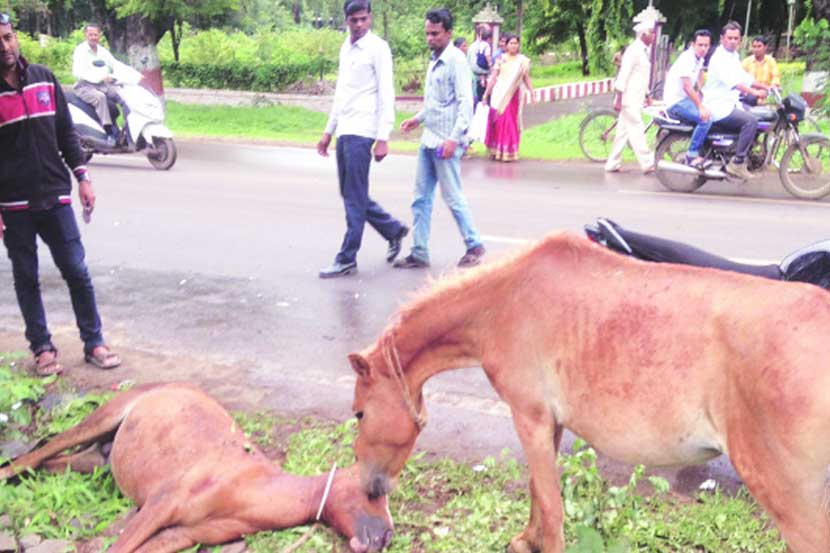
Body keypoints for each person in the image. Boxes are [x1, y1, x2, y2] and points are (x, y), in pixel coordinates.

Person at [0, 13, 121, 375]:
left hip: (56, 195)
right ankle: (42, 348)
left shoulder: (43, 79)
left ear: (15, 38)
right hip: (14, 204)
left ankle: (94, 342)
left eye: (7, 37)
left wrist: (82, 177)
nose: (4, 46)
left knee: (76, 270)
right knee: (26, 277)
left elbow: (67, 133)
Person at [317, 0, 408, 279]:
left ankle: (347, 258)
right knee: (350, 194)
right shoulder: (346, 48)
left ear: (370, 18)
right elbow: (342, 94)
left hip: (363, 132)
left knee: (354, 199)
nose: (359, 25)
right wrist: (328, 131)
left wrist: (383, 136)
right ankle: (392, 229)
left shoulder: (378, 48)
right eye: (354, 20)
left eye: (363, 19)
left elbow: (386, 93)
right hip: (345, 129)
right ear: (346, 20)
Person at [394, 8, 485, 269]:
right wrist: (417, 119)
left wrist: (454, 139)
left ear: (448, 32)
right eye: (427, 34)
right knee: (420, 198)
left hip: (446, 141)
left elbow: (466, 104)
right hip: (429, 139)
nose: (430, 38)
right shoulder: (435, 60)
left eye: (435, 34)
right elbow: (436, 103)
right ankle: (419, 251)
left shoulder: (456, 61)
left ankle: (474, 245)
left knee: (453, 196)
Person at [702, 21, 771, 180]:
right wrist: (755, 92)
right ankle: (737, 163)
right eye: (730, 38)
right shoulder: (720, 58)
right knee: (751, 122)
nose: (733, 41)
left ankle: (744, 153)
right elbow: (734, 82)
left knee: (757, 115)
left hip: (730, 103)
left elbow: (743, 77)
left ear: (740, 40)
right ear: (722, 39)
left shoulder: (733, 56)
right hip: (718, 106)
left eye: (736, 38)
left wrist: (765, 86)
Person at [604, 20, 656, 174]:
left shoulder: (643, 51)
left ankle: (612, 163)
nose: (654, 36)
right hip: (628, 99)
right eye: (651, 33)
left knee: (623, 132)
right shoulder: (633, 51)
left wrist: (647, 95)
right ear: (643, 35)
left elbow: (640, 76)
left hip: (636, 97)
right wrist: (619, 98)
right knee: (637, 129)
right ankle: (647, 163)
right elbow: (624, 75)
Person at [481, 33, 534, 162]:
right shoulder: (500, 58)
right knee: (498, 122)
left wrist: (532, 92)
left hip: (513, 95)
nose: (513, 46)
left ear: (519, 45)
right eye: (511, 43)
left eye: (516, 43)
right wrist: (486, 94)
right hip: (499, 94)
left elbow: (526, 78)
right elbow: (493, 77)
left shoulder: (523, 61)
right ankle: (497, 151)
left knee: (509, 122)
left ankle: (508, 152)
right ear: (506, 45)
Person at [664, 29, 713, 167]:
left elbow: (701, 74)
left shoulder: (699, 58)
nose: (703, 48)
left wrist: (700, 90)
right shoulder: (687, 59)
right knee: (706, 119)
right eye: (700, 45)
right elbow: (686, 86)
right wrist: (700, 106)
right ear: (693, 44)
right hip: (676, 101)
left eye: (706, 45)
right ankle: (691, 155)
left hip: (686, 99)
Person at [72, 23, 124, 145]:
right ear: (86, 35)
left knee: (122, 94)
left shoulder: (102, 51)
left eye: (96, 34)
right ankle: (109, 132)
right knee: (101, 98)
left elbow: (115, 64)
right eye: (91, 34)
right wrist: (101, 77)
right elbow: (78, 72)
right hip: (84, 86)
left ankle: (128, 128)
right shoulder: (81, 51)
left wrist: (133, 74)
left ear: (99, 36)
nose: (93, 37)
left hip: (103, 85)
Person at [468, 25, 492, 102]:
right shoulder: (486, 45)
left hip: (473, 74)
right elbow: (487, 56)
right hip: (481, 72)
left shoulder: (472, 46)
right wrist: (490, 65)